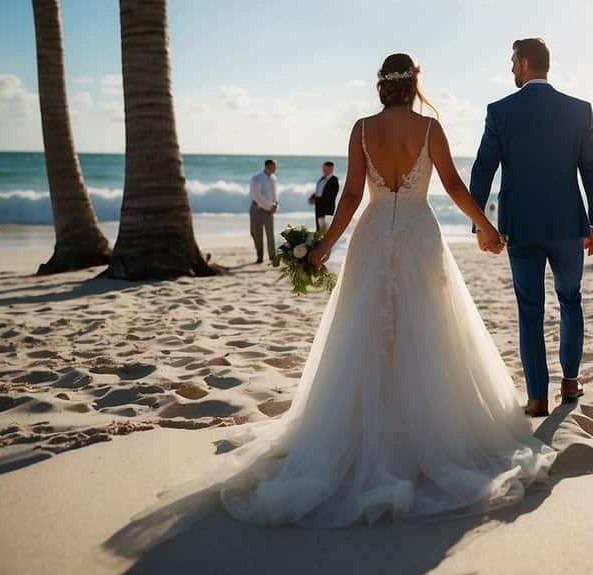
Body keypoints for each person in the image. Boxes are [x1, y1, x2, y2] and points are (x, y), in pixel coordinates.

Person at [201, 53, 553, 528]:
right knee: (427, 326)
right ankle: (423, 433)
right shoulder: (430, 130)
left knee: (364, 328)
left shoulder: (362, 129)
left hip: (371, 235)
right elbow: (450, 183)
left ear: (382, 86)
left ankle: (365, 431)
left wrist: (325, 246)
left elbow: (349, 195)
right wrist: (484, 226)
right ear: (414, 84)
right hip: (417, 234)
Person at [470, 37, 593, 418]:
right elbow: (592, 166)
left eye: (513, 61)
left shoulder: (500, 111)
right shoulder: (579, 110)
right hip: (567, 225)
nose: (512, 68)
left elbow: (483, 169)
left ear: (526, 63)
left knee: (530, 311)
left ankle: (536, 398)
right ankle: (570, 381)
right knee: (570, 300)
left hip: (522, 227)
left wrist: (479, 224)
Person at [249, 160, 278, 263]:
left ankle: (272, 257)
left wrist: (275, 205)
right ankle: (259, 256)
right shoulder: (256, 178)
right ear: (267, 166)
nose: (276, 168)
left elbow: (274, 193)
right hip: (257, 208)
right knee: (256, 233)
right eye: (274, 166)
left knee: (270, 233)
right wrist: (268, 207)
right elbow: (257, 196)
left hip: (270, 209)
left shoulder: (274, 178)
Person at [307, 161, 340, 232]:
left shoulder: (334, 180)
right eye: (323, 168)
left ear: (331, 168)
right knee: (319, 229)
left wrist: (318, 200)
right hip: (318, 207)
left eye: (325, 168)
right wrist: (312, 197)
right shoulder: (321, 179)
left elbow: (331, 195)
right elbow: (318, 191)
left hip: (327, 208)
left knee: (326, 230)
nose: (323, 170)